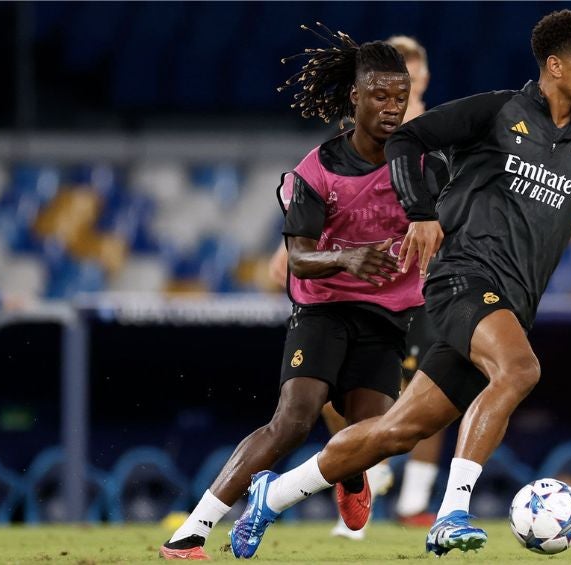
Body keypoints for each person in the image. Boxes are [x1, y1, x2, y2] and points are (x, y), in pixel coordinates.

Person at [231, 9, 571, 558]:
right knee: (520, 368)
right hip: (461, 276)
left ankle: (274, 494)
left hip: (513, 298)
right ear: (556, 66)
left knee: (395, 432)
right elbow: (407, 140)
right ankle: (452, 512)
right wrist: (421, 211)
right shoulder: (496, 112)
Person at [160, 30, 420, 560]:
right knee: (294, 420)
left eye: (401, 96)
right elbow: (299, 256)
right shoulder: (317, 170)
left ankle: (349, 473)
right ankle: (191, 532)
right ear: (355, 96)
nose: (393, 107)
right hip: (323, 306)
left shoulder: (420, 164)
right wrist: (348, 257)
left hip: (389, 315)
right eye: (381, 95)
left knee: (376, 435)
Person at [267, 35, 446, 537]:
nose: (391, 101)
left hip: (419, 290)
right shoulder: (360, 138)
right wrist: (291, 253)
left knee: (429, 391)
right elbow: (332, 205)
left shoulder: (434, 137)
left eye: (403, 83)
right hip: (355, 289)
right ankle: (358, 472)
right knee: (329, 393)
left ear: (421, 81)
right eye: (382, 90)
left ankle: (411, 502)